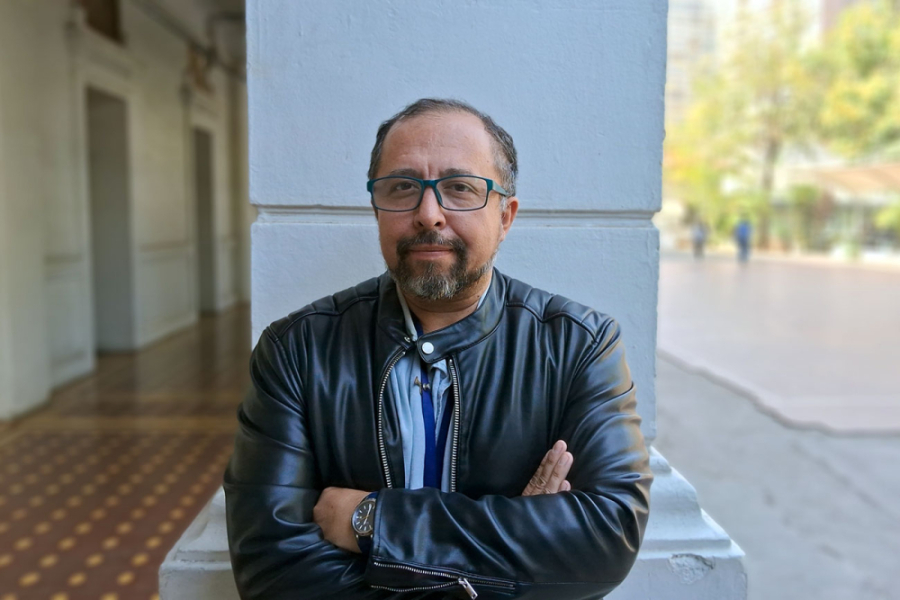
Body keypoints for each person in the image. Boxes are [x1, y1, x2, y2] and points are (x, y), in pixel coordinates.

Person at [224, 98, 652, 600]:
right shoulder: (296, 350)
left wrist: (371, 521)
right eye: (402, 187)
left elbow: (605, 539)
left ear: (506, 216)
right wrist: (518, 544)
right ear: (376, 208)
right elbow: (270, 569)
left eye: (460, 188)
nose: (429, 214)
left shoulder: (580, 344)